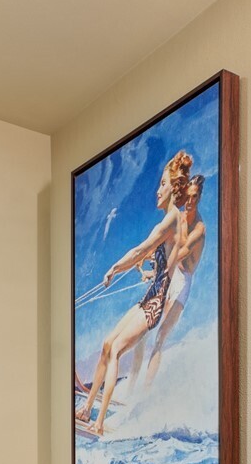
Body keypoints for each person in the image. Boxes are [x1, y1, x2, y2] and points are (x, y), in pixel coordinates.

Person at [75, 151, 192, 435]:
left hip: (153, 306)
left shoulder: (172, 220)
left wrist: (115, 267)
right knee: (106, 343)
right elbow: (154, 257)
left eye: (162, 184)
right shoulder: (168, 222)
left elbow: (142, 248)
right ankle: (87, 408)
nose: (157, 190)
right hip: (148, 298)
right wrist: (145, 266)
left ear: (173, 188)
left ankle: (99, 423)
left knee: (115, 350)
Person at [135, 173, 205, 391]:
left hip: (183, 282)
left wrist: (156, 270)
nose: (190, 201)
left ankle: (143, 397)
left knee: (160, 336)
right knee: (142, 333)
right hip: (171, 272)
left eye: (194, 197)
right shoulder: (178, 218)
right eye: (188, 196)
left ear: (199, 197)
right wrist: (144, 258)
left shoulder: (199, 229)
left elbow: (181, 253)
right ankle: (129, 393)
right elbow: (163, 246)